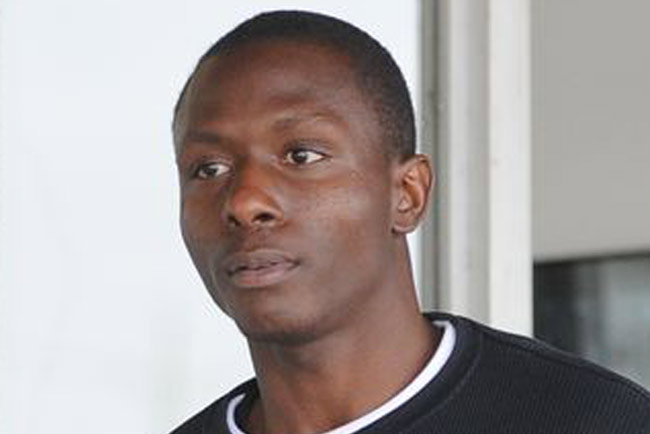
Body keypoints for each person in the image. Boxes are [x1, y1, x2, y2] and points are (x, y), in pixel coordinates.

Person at [169, 10, 650, 434]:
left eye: (301, 155)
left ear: (408, 194)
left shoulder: (595, 421)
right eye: (208, 169)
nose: (245, 201)